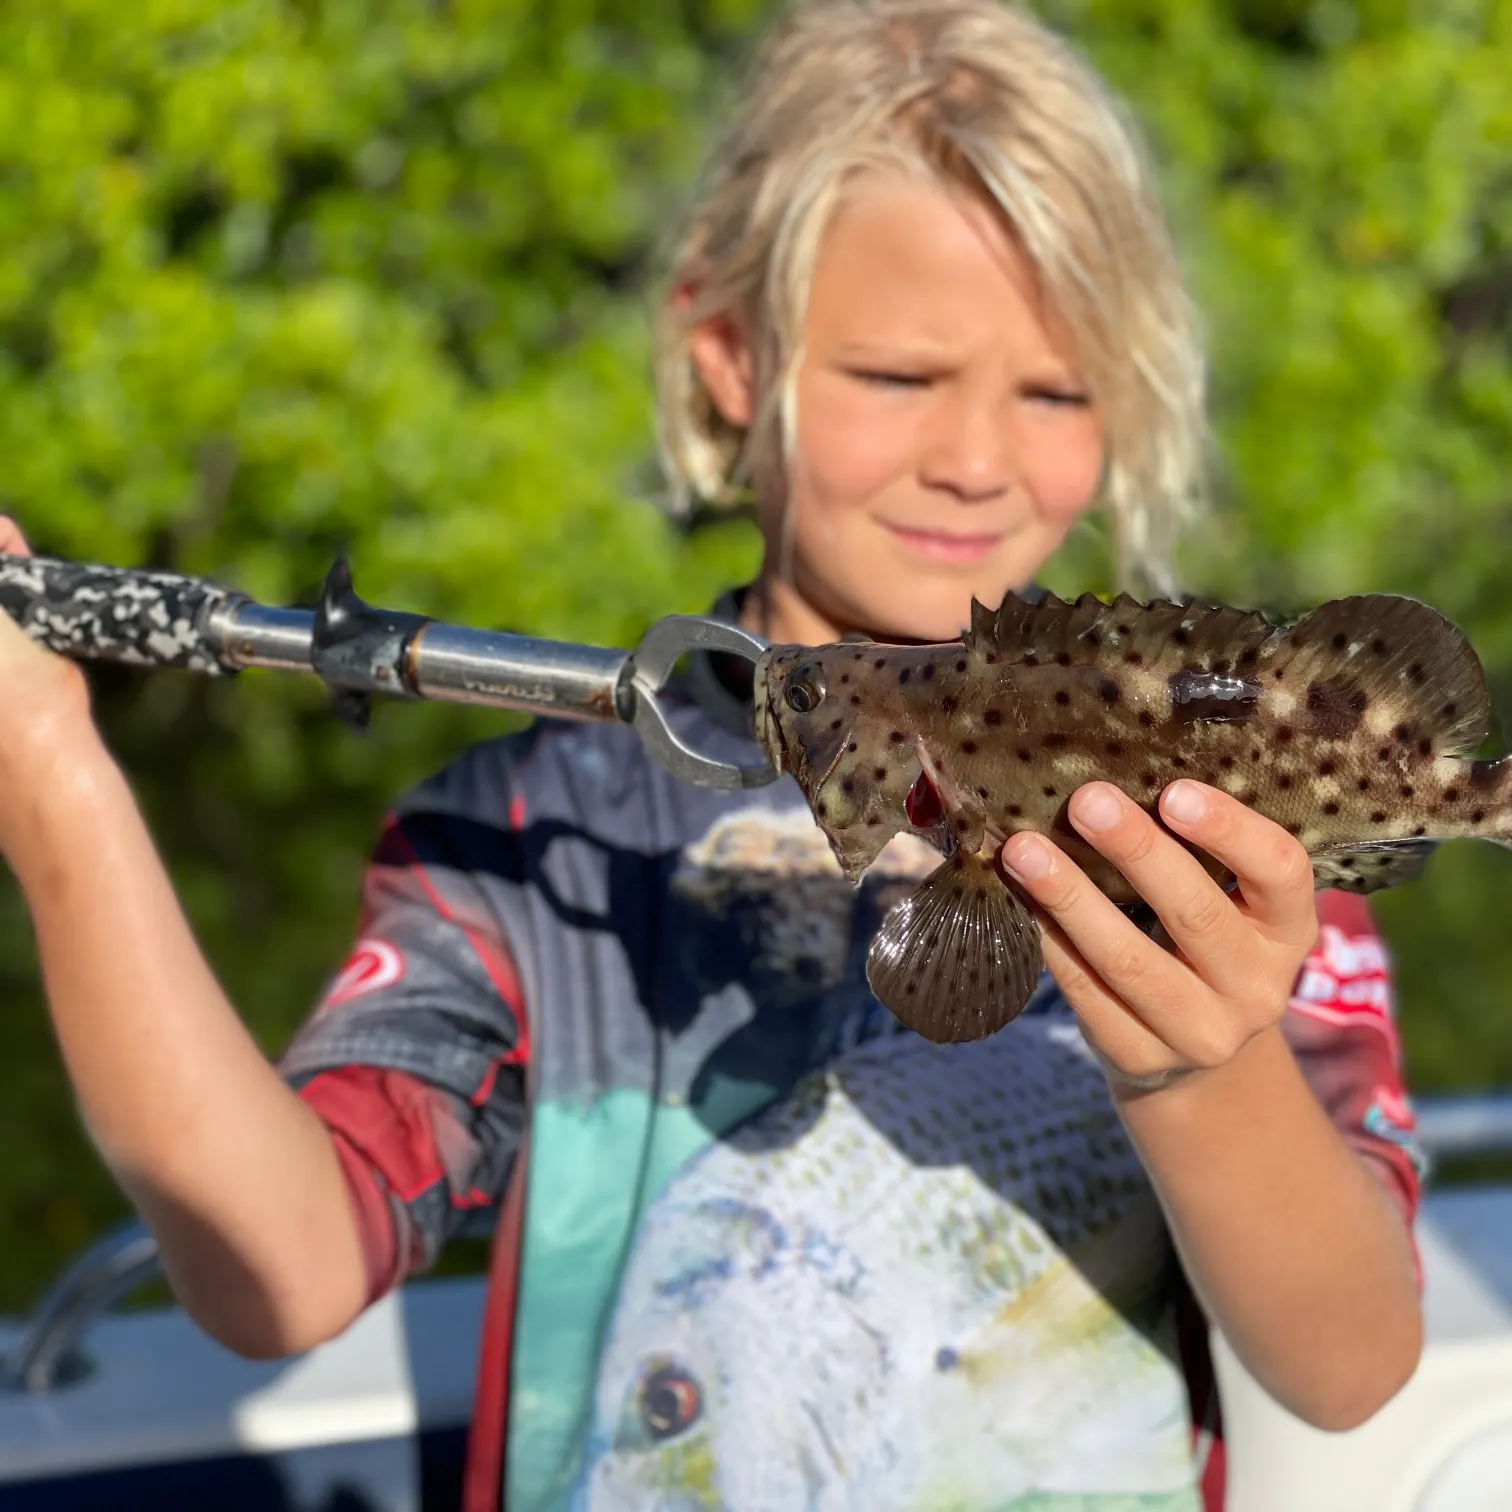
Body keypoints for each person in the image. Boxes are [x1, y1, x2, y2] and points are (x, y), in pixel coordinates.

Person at [0, 3, 1426, 1509]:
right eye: (898, 375)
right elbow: (271, 1276)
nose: (980, 458)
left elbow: (1348, 1368)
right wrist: (57, 796)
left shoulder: (1224, 849)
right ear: (733, 357)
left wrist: (1205, 1065)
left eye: (1060, 392)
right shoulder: (525, 839)